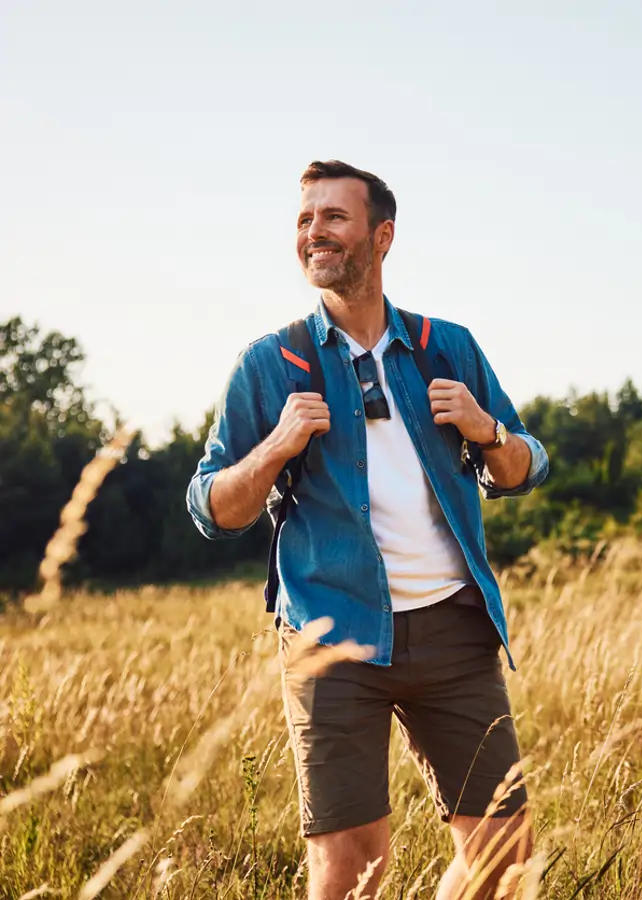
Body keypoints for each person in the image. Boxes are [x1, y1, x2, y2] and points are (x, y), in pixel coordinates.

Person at [187, 160, 549, 900]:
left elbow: (523, 467)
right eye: (303, 220)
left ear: (382, 237)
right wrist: (277, 446)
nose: (314, 232)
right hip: (332, 633)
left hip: (453, 628)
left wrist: (486, 432)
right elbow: (212, 507)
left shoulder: (447, 346)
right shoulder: (269, 363)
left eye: (333, 217)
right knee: (352, 867)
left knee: (505, 857)